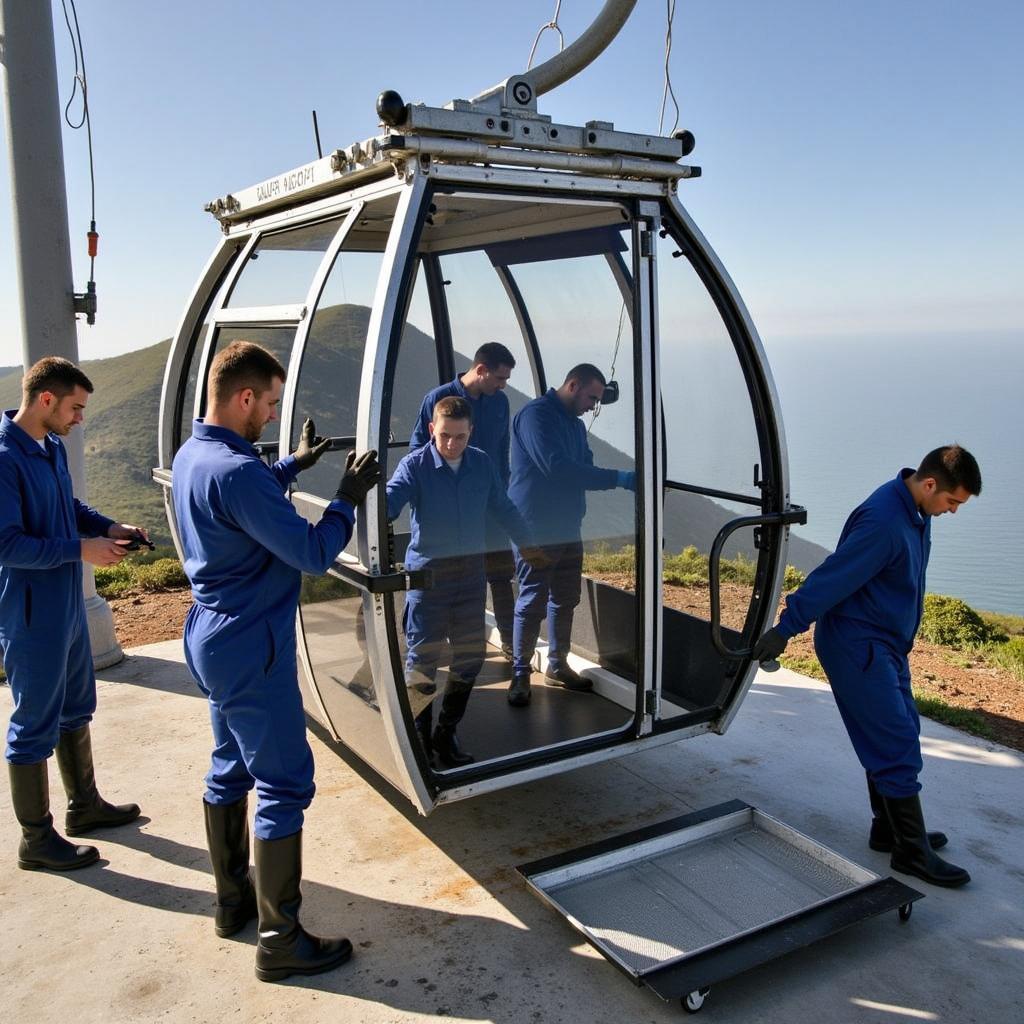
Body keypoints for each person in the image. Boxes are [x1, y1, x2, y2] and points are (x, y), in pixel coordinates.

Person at [172, 341, 380, 981]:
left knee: (229, 768)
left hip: (210, 637)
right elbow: (314, 553)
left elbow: (241, 500)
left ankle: (233, 902)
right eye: (266, 402)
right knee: (284, 784)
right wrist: (346, 495)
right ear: (242, 398)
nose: (269, 413)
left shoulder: (194, 456)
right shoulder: (236, 471)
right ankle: (281, 941)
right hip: (251, 644)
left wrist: (295, 464)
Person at [752, 446, 982, 888]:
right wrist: (786, 628)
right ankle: (911, 852)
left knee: (899, 729)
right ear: (931, 484)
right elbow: (834, 575)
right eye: (952, 502)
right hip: (857, 646)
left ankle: (889, 829)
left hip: (885, 643)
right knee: (894, 740)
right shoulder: (886, 521)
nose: (951, 512)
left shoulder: (914, 511)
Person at [0, 357, 142, 873]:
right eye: (75, 408)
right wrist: (82, 550)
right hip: (32, 610)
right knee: (33, 720)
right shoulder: (3, 458)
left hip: (66, 603)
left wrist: (110, 526)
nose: (80, 418)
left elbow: (71, 508)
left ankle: (84, 806)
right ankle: (35, 840)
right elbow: (7, 545)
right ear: (45, 401)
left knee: (75, 704)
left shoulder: (51, 446)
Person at [388, 396, 544, 766]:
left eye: (459, 437)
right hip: (428, 580)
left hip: (470, 579)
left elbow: (503, 507)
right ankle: (419, 741)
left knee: (469, 659)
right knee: (422, 662)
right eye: (444, 436)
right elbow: (390, 502)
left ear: (470, 432)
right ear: (432, 429)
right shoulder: (415, 467)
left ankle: (445, 734)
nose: (451, 444)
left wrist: (529, 545)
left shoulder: (481, 463)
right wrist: (367, 499)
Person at [507, 364, 635, 707]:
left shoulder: (576, 427)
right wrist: (621, 479)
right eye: (592, 397)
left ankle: (556, 665)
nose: (594, 406)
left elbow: (586, 467)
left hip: (566, 527)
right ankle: (520, 674)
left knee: (565, 598)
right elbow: (558, 468)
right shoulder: (536, 417)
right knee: (532, 600)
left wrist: (606, 478)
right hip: (535, 528)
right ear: (573, 385)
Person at [410, 343, 519, 665]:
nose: (503, 385)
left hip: (490, 507)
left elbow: (502, 452)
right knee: (447, 573)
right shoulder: (438, 399)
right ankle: (434, 646)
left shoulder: (500, 402)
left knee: (500, 574)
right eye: (500, 377)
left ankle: (511, 645)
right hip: (450, 507)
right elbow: (418, 449)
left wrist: (503, 492)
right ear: (481, 369)